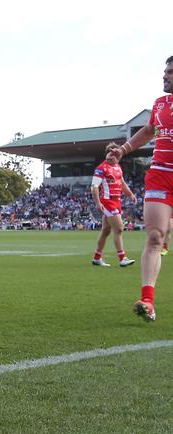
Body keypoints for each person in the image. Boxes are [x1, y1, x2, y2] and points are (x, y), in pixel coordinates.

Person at [107, 55, 173, 322]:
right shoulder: (159, 104)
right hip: (159, 175)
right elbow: (147, 131)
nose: (164, 75)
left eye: (170, 72)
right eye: (165, 71)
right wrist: (123, 149)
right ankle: (148, 300)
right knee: (155, 237)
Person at [90, 142, 137, 267]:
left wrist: (130, 194)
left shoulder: (117, 167)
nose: (114, 156)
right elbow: (94, 187)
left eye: (117, 153)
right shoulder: (101, 168)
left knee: (106, 230)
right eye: (112, 152)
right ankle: (122, 258)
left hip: (117, 201)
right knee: (119, 228)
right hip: (107, 201)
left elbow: (122, 183)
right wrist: (97, 202)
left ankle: (97, 257)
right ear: (108, 153)